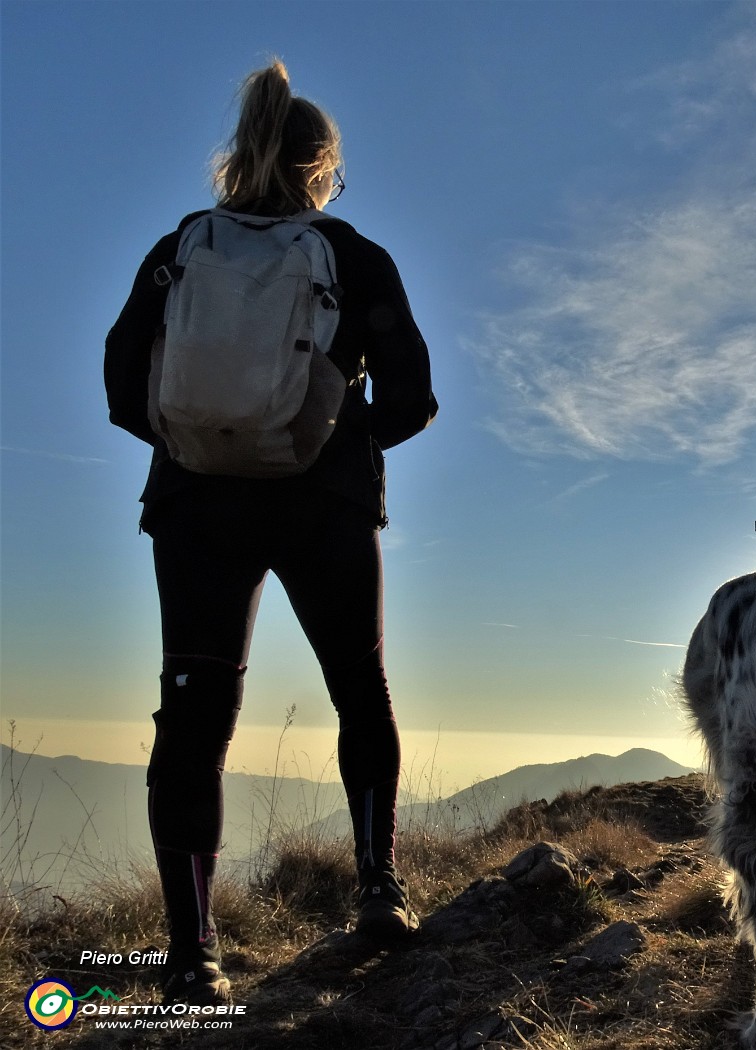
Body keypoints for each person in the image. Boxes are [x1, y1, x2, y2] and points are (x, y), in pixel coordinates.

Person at [104, 60, 438, 1005]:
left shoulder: (179, 248)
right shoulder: (354, 255)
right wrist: (335, 431)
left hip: (195, 506)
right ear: (322, 167)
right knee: (357, 688)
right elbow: (412, 397)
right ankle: (377, 887)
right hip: (322, 504)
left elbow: (123, 381)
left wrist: (198, 439)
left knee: (195, 718)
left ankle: (190, 954)